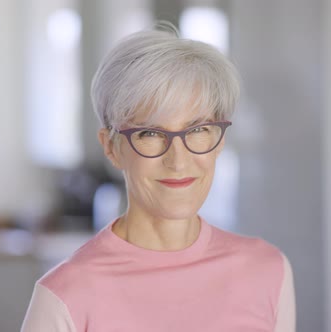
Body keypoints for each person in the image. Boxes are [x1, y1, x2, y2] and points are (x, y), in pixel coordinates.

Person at [21, 22, 295, 332]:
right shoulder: (64, 295)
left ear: (219, 140)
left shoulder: (268, 270)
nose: (178, 160)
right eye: (150, 132)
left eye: (198, 130)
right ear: (112, 147)